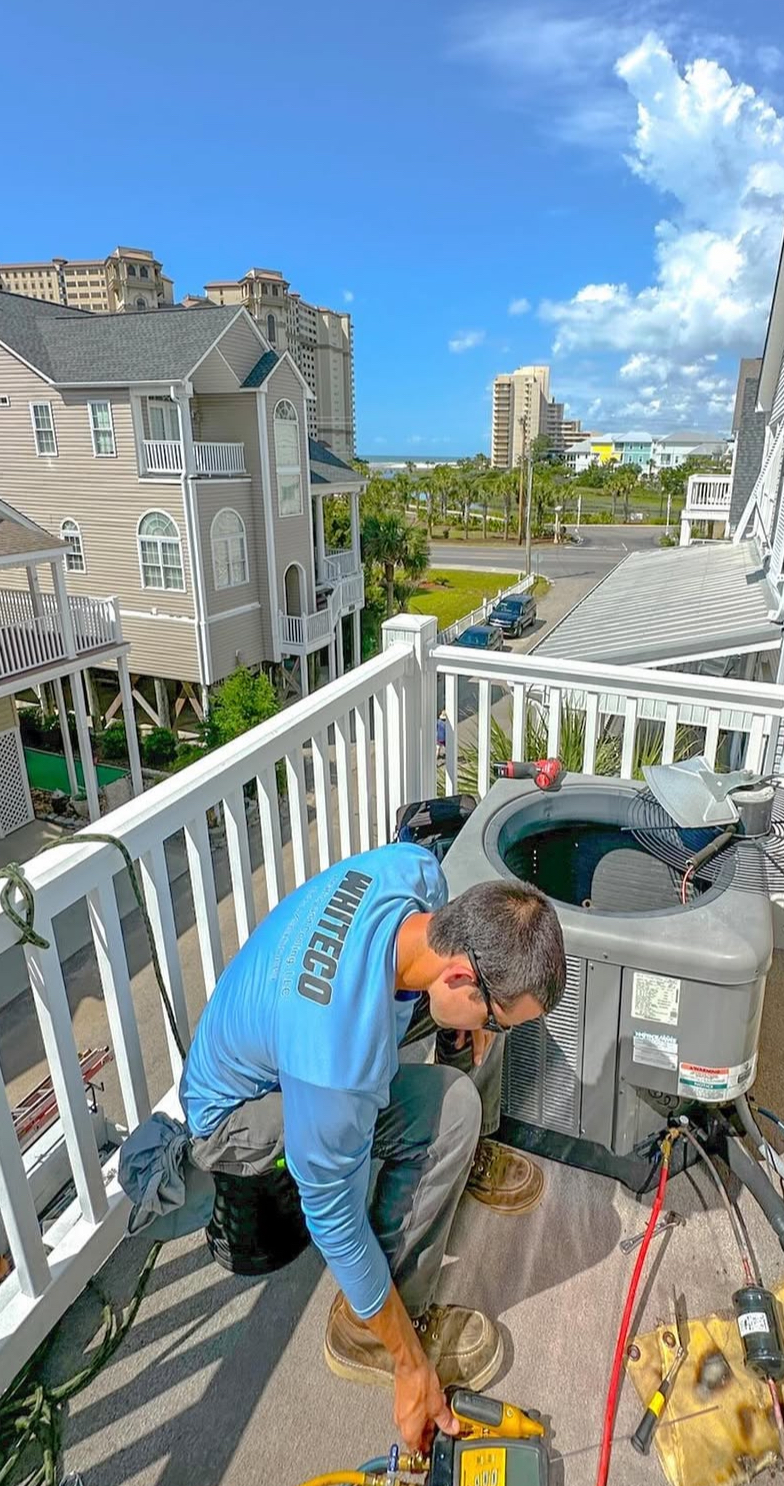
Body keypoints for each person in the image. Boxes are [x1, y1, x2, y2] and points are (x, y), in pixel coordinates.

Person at [180, 843, 566, 1454]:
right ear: (461, 977)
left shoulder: (413, 873)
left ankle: (464, 1152)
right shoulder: (339, 1064)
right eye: (497, 1020)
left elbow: (440, 992)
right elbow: (332, 1218)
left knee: (454, 1093)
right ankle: (371, 1329)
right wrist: (413, 1366)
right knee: (449, 1111)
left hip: (297, 1037)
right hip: (238, 1117)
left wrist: (470, 1019)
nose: (494, 1032)